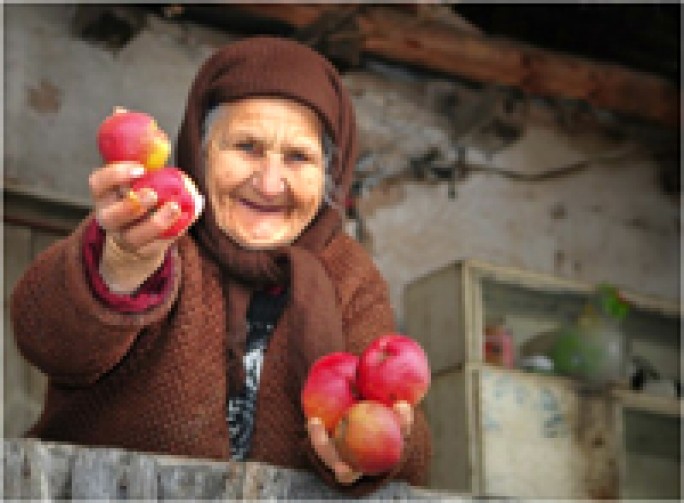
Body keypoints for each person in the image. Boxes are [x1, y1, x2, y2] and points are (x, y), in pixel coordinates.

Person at [11, 36, 431, 495]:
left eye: (298, 157)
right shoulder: (155, 228)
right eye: (247, 147)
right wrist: (121, 266)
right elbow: (47, 339)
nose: (270, 184)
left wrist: (378, 451)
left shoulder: (350, 274)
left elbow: (412, 446)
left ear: (329, 173)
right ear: (201, 150)